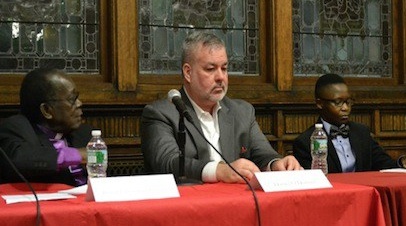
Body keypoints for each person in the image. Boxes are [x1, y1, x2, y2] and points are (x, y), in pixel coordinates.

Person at [141, 31, 302, 183]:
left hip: (236, 205)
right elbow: (168, 163)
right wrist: (219, 171)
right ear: (188, 73)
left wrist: (276, 164)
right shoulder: (161, 113)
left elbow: (264, 155)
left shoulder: (242, 112)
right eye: (210, 69)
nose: (220, 77)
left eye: (224, 68)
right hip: (186, 206)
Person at [293, 73, 406, 173]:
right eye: (338, 102)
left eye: (348, 102)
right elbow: (311, 181)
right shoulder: (305, 142)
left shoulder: (361, 132)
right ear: (320, 103)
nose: (345, 108)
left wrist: (401, 162)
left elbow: (384, 164)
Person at [0, 68, 93, 186]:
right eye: (72, 99)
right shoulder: (17, 128)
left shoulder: (85, 133)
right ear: (47, 110)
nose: (79, 103)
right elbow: (19, 159)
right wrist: (76, 155)